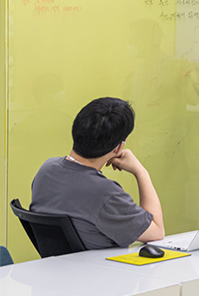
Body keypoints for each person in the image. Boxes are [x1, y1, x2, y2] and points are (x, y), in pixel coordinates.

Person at [30, 97, 165, 249]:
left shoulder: (46, 170)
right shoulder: (105, 194)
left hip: (61, 268)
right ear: (119, 147)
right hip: (102, 270)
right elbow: (157, 232)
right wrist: (141, 172)